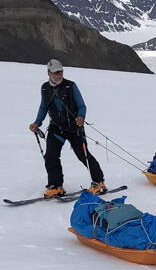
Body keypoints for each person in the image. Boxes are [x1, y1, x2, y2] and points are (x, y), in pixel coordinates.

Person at [27, 59, 107, 197]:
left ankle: (99, 182)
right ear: (48, 73)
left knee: (83, 155)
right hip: (56, 127)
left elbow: (82, 106)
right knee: (51, 156)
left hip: (74, 128)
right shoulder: (45, 88)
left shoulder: (71, 86)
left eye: (60, 72)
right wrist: (37, 123)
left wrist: (81, 117)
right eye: (55, 73)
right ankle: (56, 186)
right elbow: (43, 107)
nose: (58, 76)